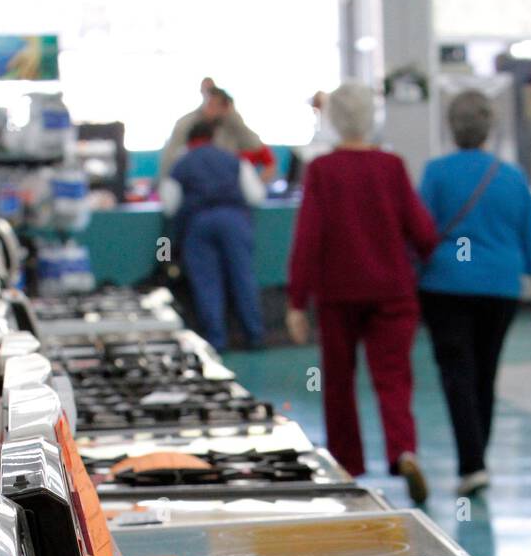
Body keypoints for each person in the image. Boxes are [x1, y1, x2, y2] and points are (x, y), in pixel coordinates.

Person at [286, 82, 439, 501]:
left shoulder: (321, 171)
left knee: (338, 381)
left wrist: (297, 302)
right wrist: (434, 247)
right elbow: (421, 231)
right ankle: (403, 450)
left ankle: (347, 467)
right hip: (392, 291)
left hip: (338, 293)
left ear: (332, 119)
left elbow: (308, 238)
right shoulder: (392, 166)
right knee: (393, 378)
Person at [418, 90, 531, 496]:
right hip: (500, 289)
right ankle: (478, 457)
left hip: (444, 286)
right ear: (488, 129)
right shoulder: (512, 176)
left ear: (451, 127)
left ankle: (473, 463)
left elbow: (420, 232)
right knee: (485, 372)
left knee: (456, 373)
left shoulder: (436, 173)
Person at [160, 119, 266, 352]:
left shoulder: (181, 164)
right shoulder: (234, 160)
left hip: (198, 225)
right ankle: (254, 335)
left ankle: (216, 341)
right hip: (235, 221)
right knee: (243, 277)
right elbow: (256, 195)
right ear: (213, 137)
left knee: (207, 282)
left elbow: (169, 206)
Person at [159, 85, 273, 179]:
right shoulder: (186, 125)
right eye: (210, 104)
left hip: (226, 189)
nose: (213, 109)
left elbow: (255, 145)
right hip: (192, 189)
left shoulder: (230, 125)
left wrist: (233, 116)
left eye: (219, 105)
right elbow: (169, 161)